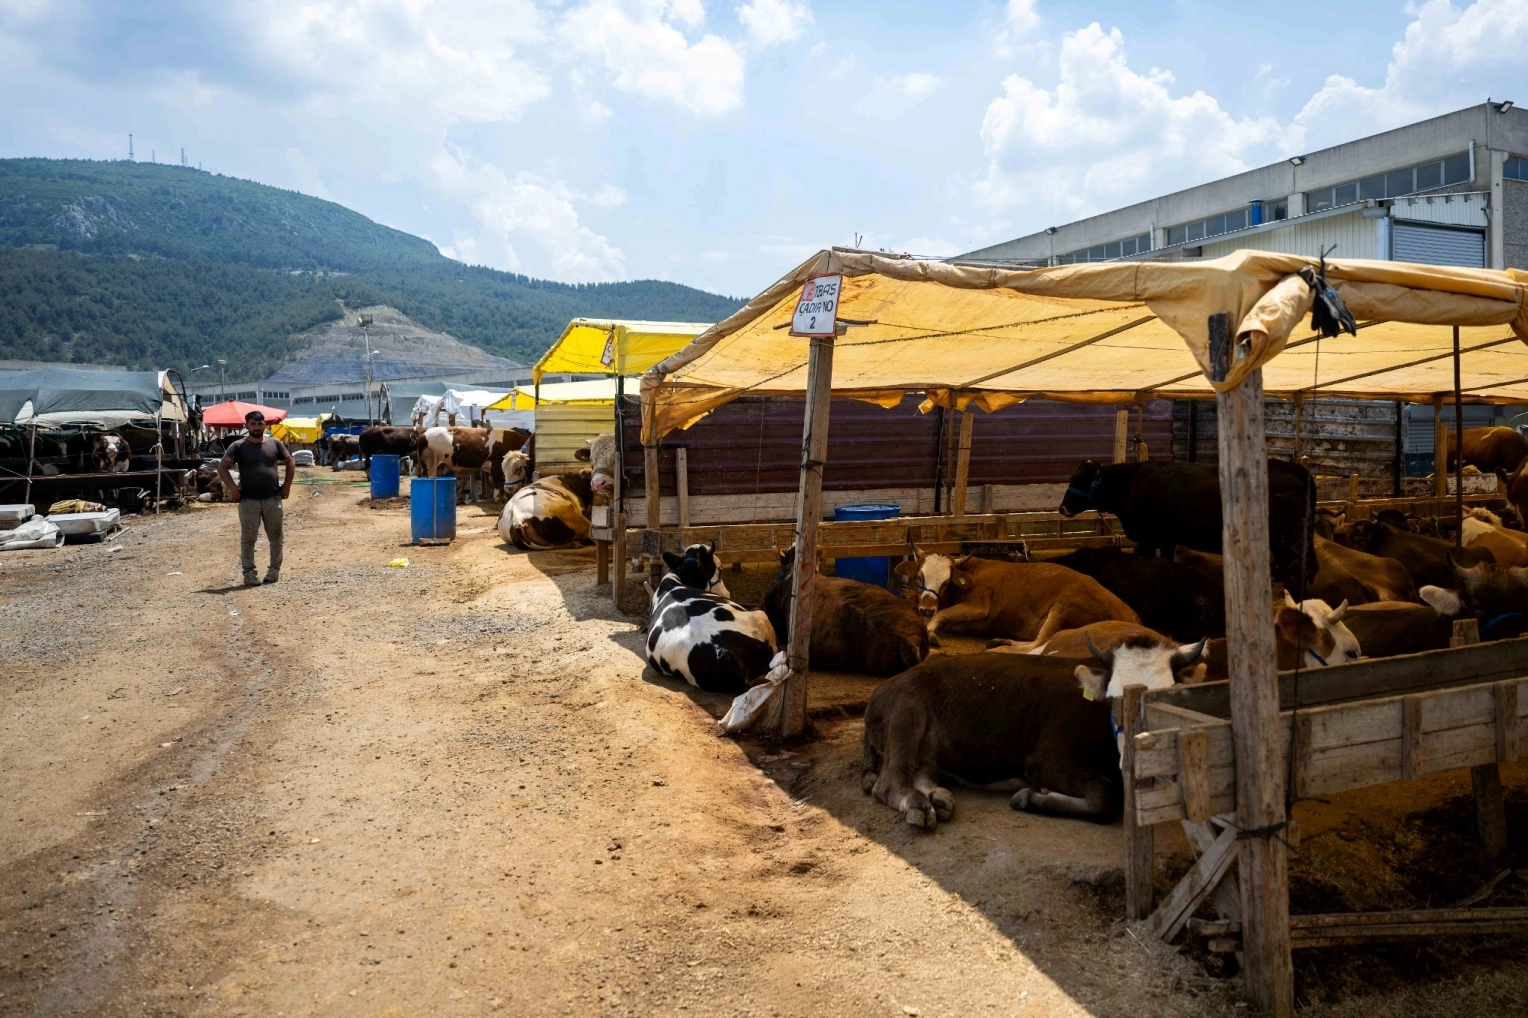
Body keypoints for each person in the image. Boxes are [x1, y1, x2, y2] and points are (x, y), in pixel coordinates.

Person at [217, 410, 295, 586]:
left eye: (259, 424)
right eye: (253, 424)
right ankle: (249, 574)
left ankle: (274, 570)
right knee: (248, 538)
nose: (256, 427)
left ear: (264, 425)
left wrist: (287, 485)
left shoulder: (275, 444)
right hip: (248, 500)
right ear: (247, 426)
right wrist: (233, 488)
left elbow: (290, 462)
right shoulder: (237, 446)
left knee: (276, 537)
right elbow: (222, 468)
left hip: (273, 499)